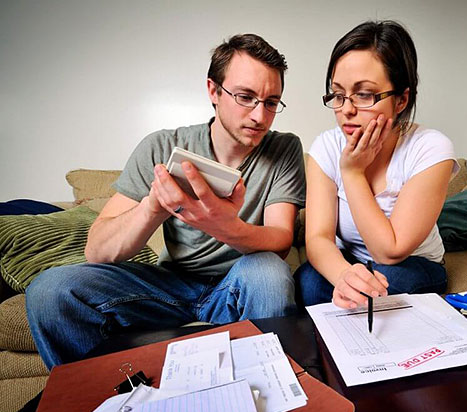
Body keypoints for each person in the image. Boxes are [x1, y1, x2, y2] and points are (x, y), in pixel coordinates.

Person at [26, 34, 306, 369]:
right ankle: (105, 403)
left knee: (270, 273)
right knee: (49, 291)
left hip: (240, 282)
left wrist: (225, 226)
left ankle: (268, 391)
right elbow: (97, 252)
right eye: (246, 97)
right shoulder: (161, 146)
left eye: (272, 102)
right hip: (168, 286)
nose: (260, 116)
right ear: (213, 91)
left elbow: (279, 239)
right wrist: (154, 205)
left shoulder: (283, 149)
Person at [295, 20, 458, 309]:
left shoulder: (431, 148)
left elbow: (390, 251)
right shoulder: (326, 146)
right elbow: (318, 239)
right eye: (338, 94)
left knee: (390, 281)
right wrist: (345, 276)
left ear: (401, 100)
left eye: (364, 94)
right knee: (308, 281)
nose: (347, 110)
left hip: (411, 265)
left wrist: (353, 172)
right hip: (351, 262)